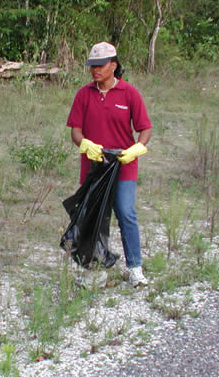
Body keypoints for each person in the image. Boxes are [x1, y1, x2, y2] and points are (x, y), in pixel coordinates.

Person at [66, 41, 152, 287]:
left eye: (100, 65)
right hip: (94, 168)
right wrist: (84, 145)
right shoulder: (84, 94)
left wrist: (137, 148)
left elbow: (145, 128)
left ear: (114, 65)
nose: (95, 70)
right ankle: (94, 270)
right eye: (92, 66)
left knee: (125, 212)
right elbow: (76, 131)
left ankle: (135, 268)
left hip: (123, 165)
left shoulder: (129, 93)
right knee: (95, 218)